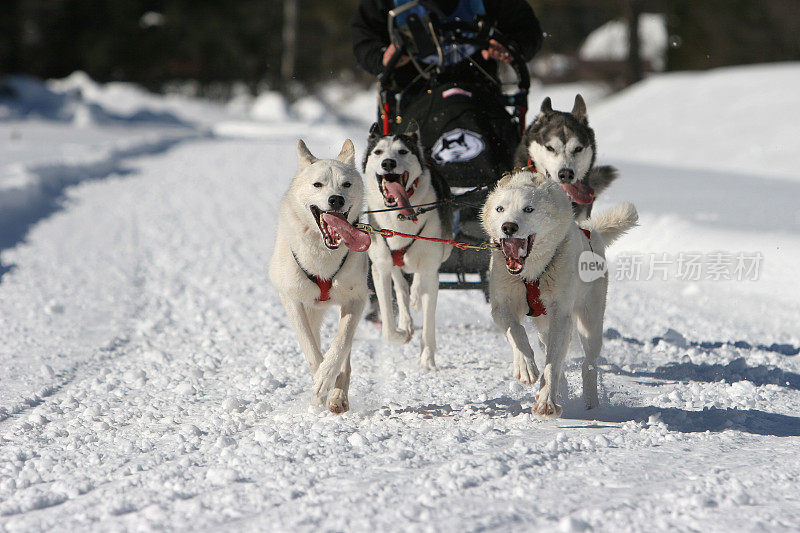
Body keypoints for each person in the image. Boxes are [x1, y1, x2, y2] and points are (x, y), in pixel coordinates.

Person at [352, 0, 543, 100]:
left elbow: (527, 30)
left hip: (478, 94)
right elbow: (364, 38)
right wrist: (382, 57)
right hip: (411, 97)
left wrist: (510, 47)